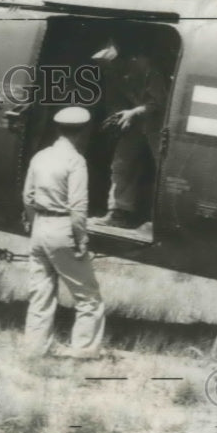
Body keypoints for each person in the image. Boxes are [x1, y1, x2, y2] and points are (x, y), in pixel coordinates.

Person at [22, 106, 105, 357]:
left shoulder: (40, 156)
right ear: (83, 131)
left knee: (41, 294)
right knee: (89, 298)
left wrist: (32, 222)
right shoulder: (76, 161)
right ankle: (84, 353)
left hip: (39, 227)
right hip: (63, 229)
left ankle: (34, 350)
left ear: (58, 128)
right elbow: (78, 207)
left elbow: (27, 196)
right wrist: (81, 239)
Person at [91, 37, 166, 228]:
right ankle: (118, 213)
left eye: (108, 64)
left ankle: (161, 220)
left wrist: (133, 112)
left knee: (164, 169)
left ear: (121, 60)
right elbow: (115, 100)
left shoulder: (149, 70)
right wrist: (115, 117)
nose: (106, 69)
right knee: (121, 165)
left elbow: (158, 103)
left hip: (157, 125)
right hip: (133, 124)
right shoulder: (115, 74)